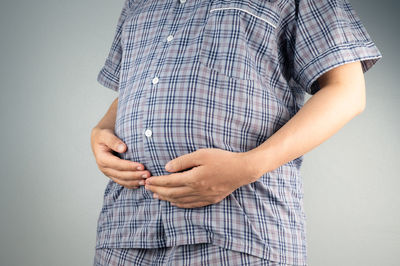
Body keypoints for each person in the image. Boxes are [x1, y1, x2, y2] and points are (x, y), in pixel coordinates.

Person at [90, 0, 382, 265]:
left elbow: (347, 91)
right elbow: (131, 87)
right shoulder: (138, 3)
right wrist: (102, 129)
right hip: (126, 230)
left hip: (240, 229)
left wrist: (247, 167)